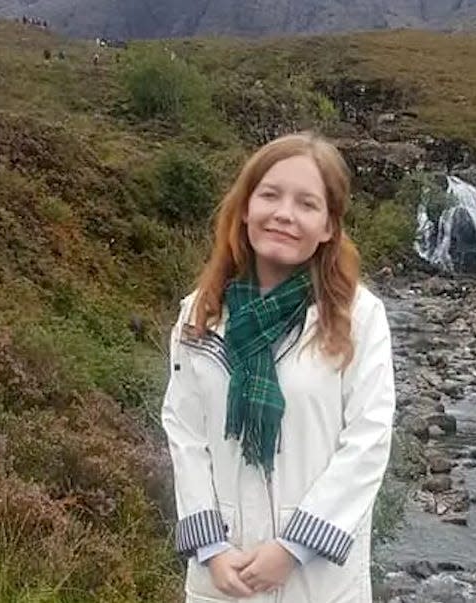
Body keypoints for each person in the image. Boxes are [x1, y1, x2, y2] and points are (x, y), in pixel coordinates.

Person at [161, 132, 396, 603]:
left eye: (307, 204)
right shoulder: (200, 314)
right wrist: (210, 546)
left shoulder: (358, 317)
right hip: (224, 575)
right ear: (246, 207)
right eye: (270, 195)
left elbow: (368, 440)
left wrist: (294, 547)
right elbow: (185, 433)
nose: (284, 214)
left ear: (329, 225)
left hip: (318, 581)